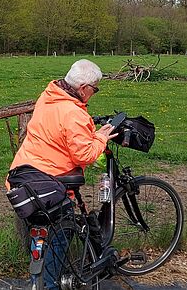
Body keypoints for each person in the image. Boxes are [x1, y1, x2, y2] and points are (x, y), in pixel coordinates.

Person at [6, 59, 117, 290]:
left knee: (39, 234)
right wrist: (101, 137)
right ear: (83, 88)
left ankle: (37, 280)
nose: (94, 94)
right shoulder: (73, 113)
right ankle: (51, 284)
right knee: (60, 235)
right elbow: (84, 154)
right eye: (95, 89)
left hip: (24, 180)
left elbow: (58, 134)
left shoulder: (49, 95)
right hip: (51, 186)